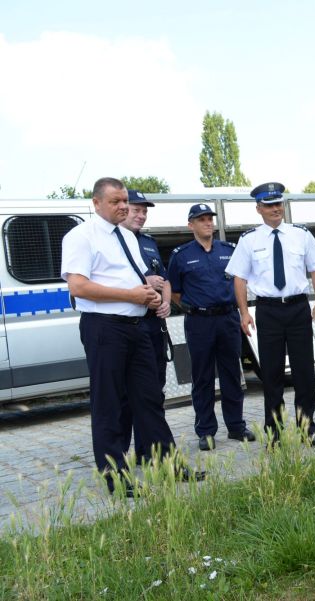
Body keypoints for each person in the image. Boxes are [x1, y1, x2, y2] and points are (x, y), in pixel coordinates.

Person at [61, 177, 202, 495]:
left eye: (125, 200)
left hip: (137, 328)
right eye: (115, 201)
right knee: (110, 403)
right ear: (96, 203)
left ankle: (167, 465)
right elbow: (78, 287)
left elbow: (136, 280)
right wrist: (131, 296)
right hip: (104, 328)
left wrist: (150, 296)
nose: (124, 206)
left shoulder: (126, 236)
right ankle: (116, 478)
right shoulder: (81, 236)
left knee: (149, 400)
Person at [225, 182, 315, 445]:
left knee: (304, 372)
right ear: (258, 208)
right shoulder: (249, 240)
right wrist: (244, 313)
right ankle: (275, 432)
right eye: (269, 205)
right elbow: (239, 278)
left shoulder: (301, 234)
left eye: (279, 204)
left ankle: (307, 428)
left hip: (297, 309)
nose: (275, 209)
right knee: (271, 375)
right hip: (268, 311)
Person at [168, 203, 255, 451]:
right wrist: (191, 307)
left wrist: (242, 312)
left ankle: (236, 427)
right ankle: (206, 431)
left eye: (210, 219)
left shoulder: (229, 250)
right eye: (202, 219)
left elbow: (241, 281)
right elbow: (173, 291)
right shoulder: (181, 255)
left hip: (227, 319)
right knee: (203, 377)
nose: (208, 223)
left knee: (231, 374)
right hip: (199, 322)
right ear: (191, 224)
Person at [120, 190, 171, 461]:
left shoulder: (149, 242)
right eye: (135, 210)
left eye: (144, 211)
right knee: (130, 392)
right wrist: (143, 284)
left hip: (153, 326)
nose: (140, 215)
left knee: (155, 389)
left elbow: (164, 278)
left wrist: (165, 302)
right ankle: (129, 450)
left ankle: (147, 448)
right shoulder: (114, 242)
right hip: (129, 324)